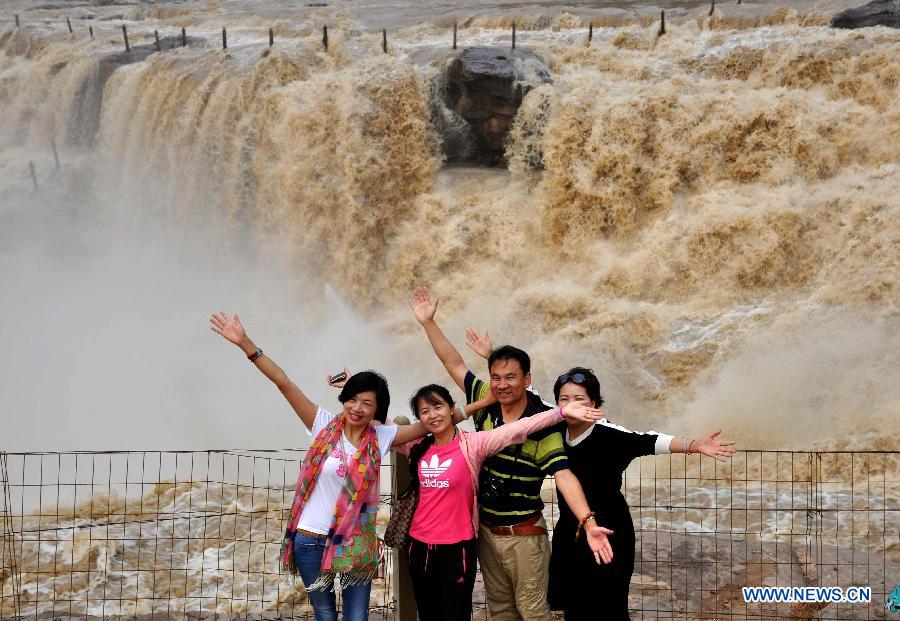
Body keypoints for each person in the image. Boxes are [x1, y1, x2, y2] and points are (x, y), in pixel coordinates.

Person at [467, 332, 737, 621]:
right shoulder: (553, 424)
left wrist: (694, 445)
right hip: (571, 531)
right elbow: (520, 388)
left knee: (608, 605)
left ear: (594, 403)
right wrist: (491, 355)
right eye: (565, 399)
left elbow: (649, 440)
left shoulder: (609, 435)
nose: (572, 404)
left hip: (609, 530)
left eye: (580, 399)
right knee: (573, 605)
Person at [209, 312, 432, 621]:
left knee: (357, 617)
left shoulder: (382, 435)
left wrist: (475, 407)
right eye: (351, 399)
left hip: (355, 540)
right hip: (310, 538)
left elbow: (429, 425)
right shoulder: (323, 423)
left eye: (367, 403)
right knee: (324, 615)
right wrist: (247, 344)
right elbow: (283, 383)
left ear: (377, 410)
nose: (357, 408)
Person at [408, 288, 612, 621]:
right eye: (496, 378)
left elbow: (563, 474)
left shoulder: (542, 422)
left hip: (524, 535)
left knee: (532, 613)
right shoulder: (486, 403)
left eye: (511, 378)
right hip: (486, 533)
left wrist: (588, 522)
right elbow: (453, 363)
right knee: (500, 612)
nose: (502, 385)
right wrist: (428, 322)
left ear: (527, 379)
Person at [395, 383, 607, 621]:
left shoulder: (473, 444)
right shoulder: (416, 446)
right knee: (428, 612)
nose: (433, 415)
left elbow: (518, 428)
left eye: (438, 407)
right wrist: (351, 391)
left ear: (452, 409)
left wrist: (561, 411)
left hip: (458, 546)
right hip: (419, 544)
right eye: (425, 412)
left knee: (456, 614)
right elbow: (377, 433)